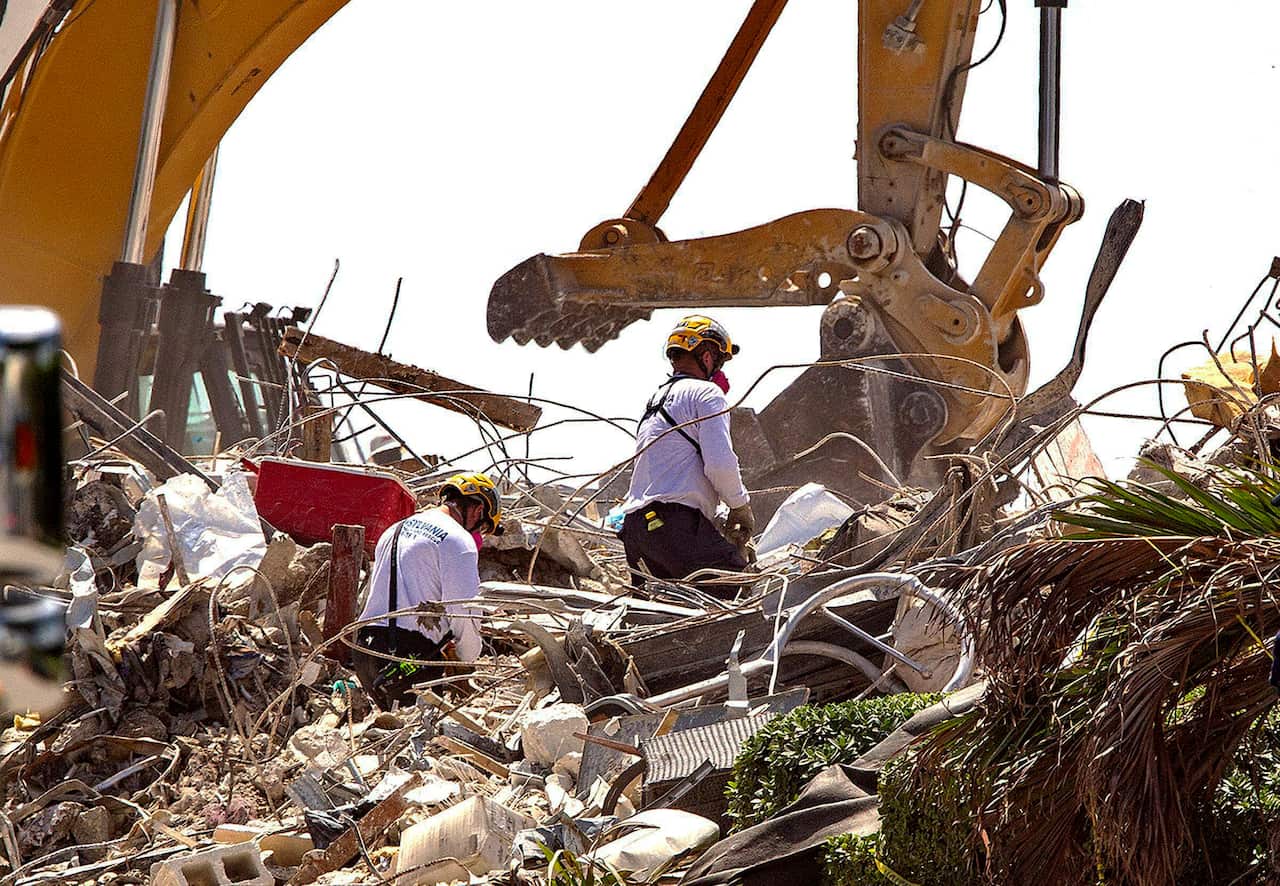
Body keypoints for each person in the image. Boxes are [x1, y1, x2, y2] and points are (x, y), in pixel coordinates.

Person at [619, 315, 754, 591]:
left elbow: (673, 477)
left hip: (636, 530)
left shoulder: (656, 401)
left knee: (666, 617)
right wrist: (739, 507)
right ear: (707, 357)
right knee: (741, 590)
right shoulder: (707, 394)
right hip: (671, 524)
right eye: (720, 362)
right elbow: (719, 464)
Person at [352, 472, 502, 709]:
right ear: (479, 510)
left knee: (388, 736)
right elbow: (465, 612)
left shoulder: (395, 529)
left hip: (365, 649)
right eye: (482, 528)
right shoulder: (458, 541)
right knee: (421, 740)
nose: (478, 536)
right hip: (409, 659)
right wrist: (468, 658)